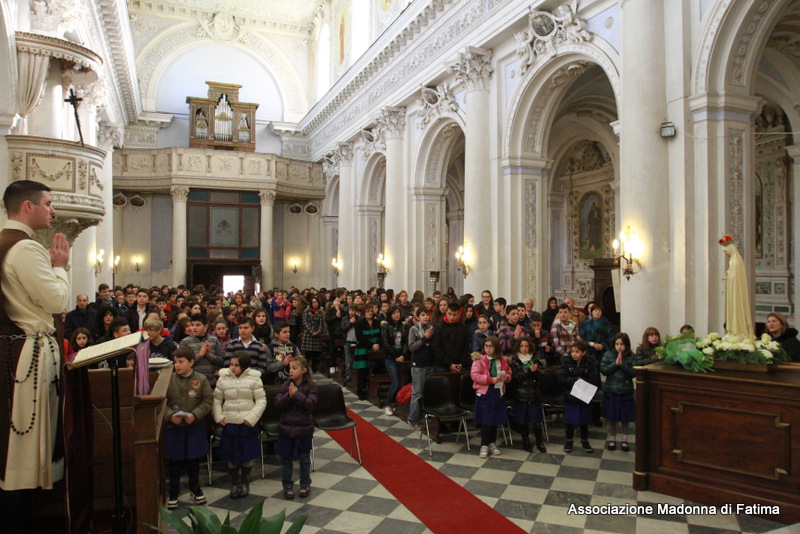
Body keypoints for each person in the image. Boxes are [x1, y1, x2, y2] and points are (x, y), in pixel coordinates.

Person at [213, 351, 266, 498]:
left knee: (247, 454)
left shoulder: (254, 379)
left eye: (236, 365)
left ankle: (245, 482)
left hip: (247, 423)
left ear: (244, 366)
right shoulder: (223, 378)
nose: (233, 368)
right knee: (232, 456)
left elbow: (261, 401)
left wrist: (251, 418)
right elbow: (216, 400)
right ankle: (234, 483)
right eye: (231, 364)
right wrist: (219, 416)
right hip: (230, 422)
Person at [164, 346, 212, 509]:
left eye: (181, 362)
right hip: (174, 426)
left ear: (191, 362)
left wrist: (195, 415)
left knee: (193, 460)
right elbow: (162, 401)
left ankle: (195, 488)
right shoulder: (169, 379)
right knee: (175, 461)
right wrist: (170, 415)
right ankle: (173, 492)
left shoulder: (201, 379)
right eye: (175, 362)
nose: (177, 365)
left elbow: (207, 400)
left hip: (194, 425)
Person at [275, 357, 318, 500]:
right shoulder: (287, 384)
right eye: (290, 368)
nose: (291, 371)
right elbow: (277, 403)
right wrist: (289, 395)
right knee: (286, 459)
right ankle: (287, 485)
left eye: (294, 368)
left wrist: (296, 395)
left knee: (304, 458)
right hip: (286, 428)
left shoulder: (311, 386)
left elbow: (311, 404)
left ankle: (305, 483)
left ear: (303, 370)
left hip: (303, 428)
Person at [471, 336, 511, 458]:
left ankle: (492, 443)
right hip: (485, 393)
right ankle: (484, 444)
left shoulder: (502, 360)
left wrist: (506, 377)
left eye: (491, 346)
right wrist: (490, 379)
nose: (488, 348)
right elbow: (475, 375)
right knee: (486, 419)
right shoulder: (479, 360)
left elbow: (509, 373)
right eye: (486, 346)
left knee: (495, 418)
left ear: (496, 348)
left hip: (498, 392)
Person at [560, 340, 600, 453]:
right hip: (571, 394)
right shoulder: (566, 361)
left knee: (584, 419)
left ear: (583, 352)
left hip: (584, 394)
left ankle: (584, 440)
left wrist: (582, 380)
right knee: (569, 419)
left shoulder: (590, 362)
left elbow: (595, 379)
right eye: (572, 351)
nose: (574, 354)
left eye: (577, 352)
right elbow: (562, 378)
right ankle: (569, 440)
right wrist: (575, 380)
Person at [508, 337, 547, 453]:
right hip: (520, 395)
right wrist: (528, 370)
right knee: (522, 421)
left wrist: (536, 371)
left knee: (536, 421)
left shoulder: (536, 360)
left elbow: (542, 377)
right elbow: (516, 378)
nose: (524, 349)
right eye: (522, 346)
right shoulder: (514, 361)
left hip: (534, 394)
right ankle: (526, 442)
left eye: (526, 346)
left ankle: (539, 442)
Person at [600, 333, 636, 452]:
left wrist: (622, 364)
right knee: (612, 415)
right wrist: (615, 364)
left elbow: (633, 373)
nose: (619, 347)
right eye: (617, 344)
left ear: (626, 345)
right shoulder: (608, 354)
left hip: (626, 390)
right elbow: (604, 370)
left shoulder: (632, 356)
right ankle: (612, 438)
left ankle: (625, 439)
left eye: (622, 344)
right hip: (611, 390)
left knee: (625, 416)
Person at [719, 235, 755, 341]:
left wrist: (729, 277)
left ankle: (738, 330)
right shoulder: (733, 261)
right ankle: (732, 331)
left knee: (736, 307)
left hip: (736, 290)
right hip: (732, 288)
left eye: (725, 251)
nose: (725, 254)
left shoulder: (735, 261)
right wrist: (728, 277)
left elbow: (735, 276)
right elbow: (733, 275)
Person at [407, 309, 434, 431]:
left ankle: (425, 415)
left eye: (427, 315)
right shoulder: (413, 329)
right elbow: (412, 347)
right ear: (418, 317)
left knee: (428, 391)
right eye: (423, 315)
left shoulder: (431, 328)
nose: (426, 317)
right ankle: (412, 418)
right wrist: (424, 338)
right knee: (417, 393)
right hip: (418, 364)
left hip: (429, 363)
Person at [180, 312, 224, 387]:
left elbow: (221, 362)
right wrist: (200, 354)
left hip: (210, 383)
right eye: (192, 325)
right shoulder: (185, 342)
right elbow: (183, 364)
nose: (194, 328)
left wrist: (208, 355)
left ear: (205, 327)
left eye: (198, 325)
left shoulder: (214, 340)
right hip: (191, 383)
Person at [380, 305, 408, 415]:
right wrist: (394, 356)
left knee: (401, 381)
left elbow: (406, 342)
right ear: (390, 315)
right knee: (395, 382)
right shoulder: (386, 326)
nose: (396, 314)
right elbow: (385, 343)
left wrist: (404, 355)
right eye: (394, 313)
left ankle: (396, 403)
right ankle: (388, 404)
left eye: (398, 312)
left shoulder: (403, 326)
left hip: (401, 357)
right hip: (390, 358)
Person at [432, 302, 470, 372]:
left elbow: (466, 346)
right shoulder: (439, 327)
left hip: (459, 364)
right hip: (442, 365)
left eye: (454, 315)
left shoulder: (463, 327)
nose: (452, 317)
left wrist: (462, 362)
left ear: (458, 314)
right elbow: (436, 347)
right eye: (449, 314)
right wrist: (449, 364)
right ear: (446, 312)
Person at [353, 304, 381, 400]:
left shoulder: (377, 322)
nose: (370, 313)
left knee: (375, 369)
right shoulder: (359, 323)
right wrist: (371, 345)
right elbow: (360, 338)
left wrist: (377, 345)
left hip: (375, 349)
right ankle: (361, 391)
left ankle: (372, 389)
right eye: (367, 311)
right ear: (364, 313)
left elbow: (380, 335)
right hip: (363, 349)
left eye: (371, 311)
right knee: (362, 371)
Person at [300, 296, 325, 373]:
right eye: (313, 302)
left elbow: (321, 323)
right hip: (308, 334)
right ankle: (306, 368)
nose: (315, 304)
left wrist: (318, 331)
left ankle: (314, 368)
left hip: (317, 334)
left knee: (315, 354)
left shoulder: (320, 312)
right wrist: (311, 331)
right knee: (307, 353)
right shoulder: (307, 311)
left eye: (316, 302)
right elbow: (304, 322)